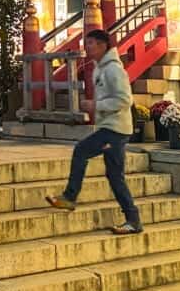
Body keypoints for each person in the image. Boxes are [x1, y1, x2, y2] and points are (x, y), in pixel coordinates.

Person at [47, 28, 142, 234]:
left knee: (81, 150)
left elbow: (125, 99)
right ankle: (133, 220)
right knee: (115, 176)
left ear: (102, 45)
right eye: (86, 43)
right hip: (111, 127)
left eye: (91, 43)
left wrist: (95, 105)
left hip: (115, 129)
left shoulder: (113, 70)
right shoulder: (101, 67)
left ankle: (70, 197)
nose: (87, 47)